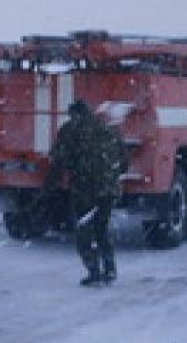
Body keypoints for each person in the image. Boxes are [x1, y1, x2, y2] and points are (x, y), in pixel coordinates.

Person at [45, 99, 128, 287]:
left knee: (84, 232)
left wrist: (51, 183)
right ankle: (109, 268)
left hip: (86, 190)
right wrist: (109, 176)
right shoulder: (108, 128)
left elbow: (60, 158)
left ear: (74, 115)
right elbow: (124, 162)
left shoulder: (71, 130)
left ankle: (94, 272)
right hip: (109, 190)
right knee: (101, 229)